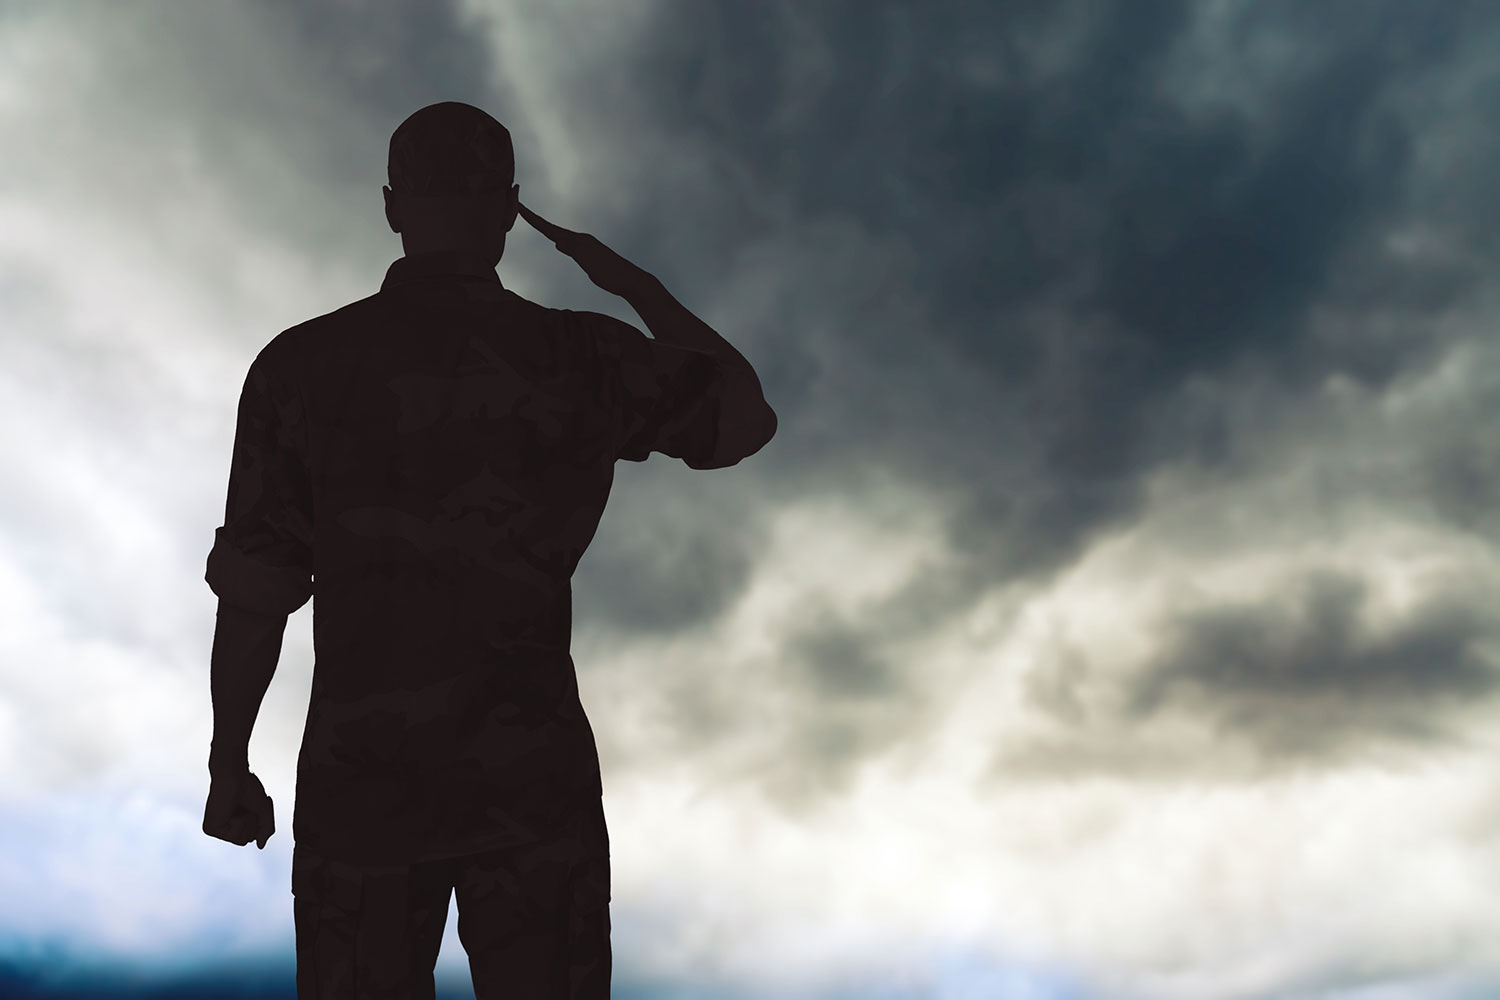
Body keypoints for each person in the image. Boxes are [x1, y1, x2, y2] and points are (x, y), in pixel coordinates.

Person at [199, 101, 777, 999]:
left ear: (393, 207)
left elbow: (258, 588)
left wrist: (228, 761)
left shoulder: (301, 367)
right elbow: (743, 417)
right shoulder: (579, 356)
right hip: (529, 786)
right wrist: (630, 283)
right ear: (508, 209)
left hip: (365, 792)